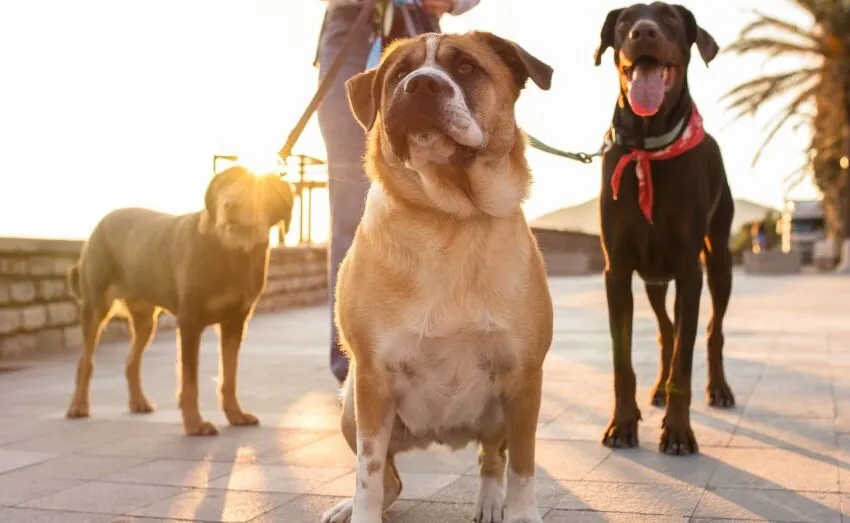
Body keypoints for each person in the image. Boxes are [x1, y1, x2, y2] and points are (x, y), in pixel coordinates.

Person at [315, 0, 482, 384]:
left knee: (436, 197)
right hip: (351, 30)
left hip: (421, 31)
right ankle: (356, 362)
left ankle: (434, 353)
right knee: (349, 203)